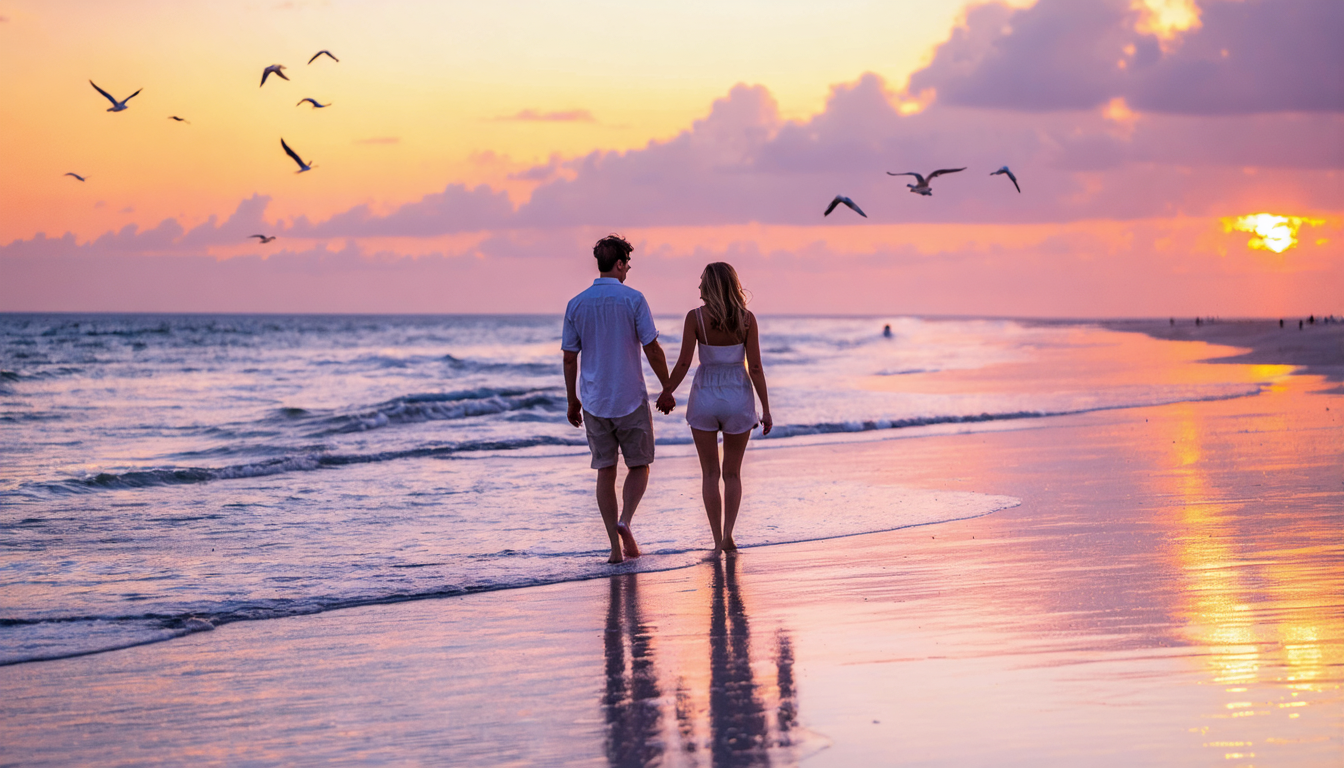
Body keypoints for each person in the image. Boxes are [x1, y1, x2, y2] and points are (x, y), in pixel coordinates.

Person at [563, 235, 672, 564]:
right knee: (640, 465)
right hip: (629, 397)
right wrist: (667, 386)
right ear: (620, 263)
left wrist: (572, 401)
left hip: (594, 400)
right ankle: (625, 519)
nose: (628, 270)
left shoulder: (577, 303)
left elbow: (570, 358)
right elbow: (652, 347)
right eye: (627, 264)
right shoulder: (634, 299)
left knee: (605, 471)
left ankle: (614, 548)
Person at [657, 263, 772, 555]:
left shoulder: (695, 318)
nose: (697, 287)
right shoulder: (747, 320)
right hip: (738, 395)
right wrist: (766, 408)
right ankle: (728, 536)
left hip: (705, 394)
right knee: (732, 474)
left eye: (701, 282)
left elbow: (683, 363)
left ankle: (715, 539)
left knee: (710, 473)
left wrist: (668, 391)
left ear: (710, 286)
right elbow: (756, 367)